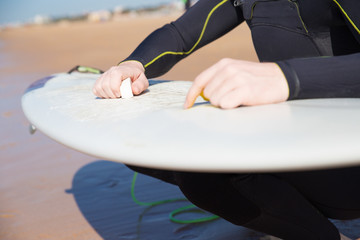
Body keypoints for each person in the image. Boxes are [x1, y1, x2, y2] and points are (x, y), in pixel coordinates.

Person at [92, 0, 360, 239]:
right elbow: (180, 33)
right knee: (145, 145)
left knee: (204, 170)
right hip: (306, 146)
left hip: (348, 159)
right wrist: (134, 64)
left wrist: (286, 77)